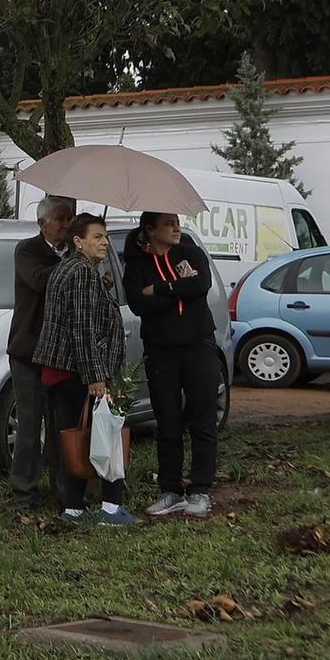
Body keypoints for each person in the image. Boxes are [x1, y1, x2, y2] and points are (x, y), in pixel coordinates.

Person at [33, 213, 134, 526]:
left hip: (62, 370)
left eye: (106, 236)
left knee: (73, 437)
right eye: (97, 237)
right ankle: (111, 509)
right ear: (78, 241)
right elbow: (82, 328)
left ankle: (74, 509)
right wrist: (95, 377)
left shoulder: (70, 268)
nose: (105, 243)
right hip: (77, 371)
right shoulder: (81, 272)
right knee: (106, 431)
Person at [123, 211, 220, 518]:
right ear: (150, 230)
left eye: (177, 222)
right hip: (161, 352)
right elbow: (138, 304)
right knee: (167, 422)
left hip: (199, 346)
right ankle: (170, 491)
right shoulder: (137, 264)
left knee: (203, 419)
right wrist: (180, 287)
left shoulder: (191, 252)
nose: (177, 228)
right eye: (169, 224)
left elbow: (201, 285)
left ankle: (200, 490)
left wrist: (160, 288)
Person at [6, 195, 75, 513]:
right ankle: (24, 492)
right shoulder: (27, 250)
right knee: (30, 426)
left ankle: (65, 491)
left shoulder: (73, 252)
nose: (66, 224)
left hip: (63, 352)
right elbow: (38, 281)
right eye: (60, 218)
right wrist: (75, 267)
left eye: (69, 218)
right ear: (42, 223)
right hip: (29, 351)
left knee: (62, 425)